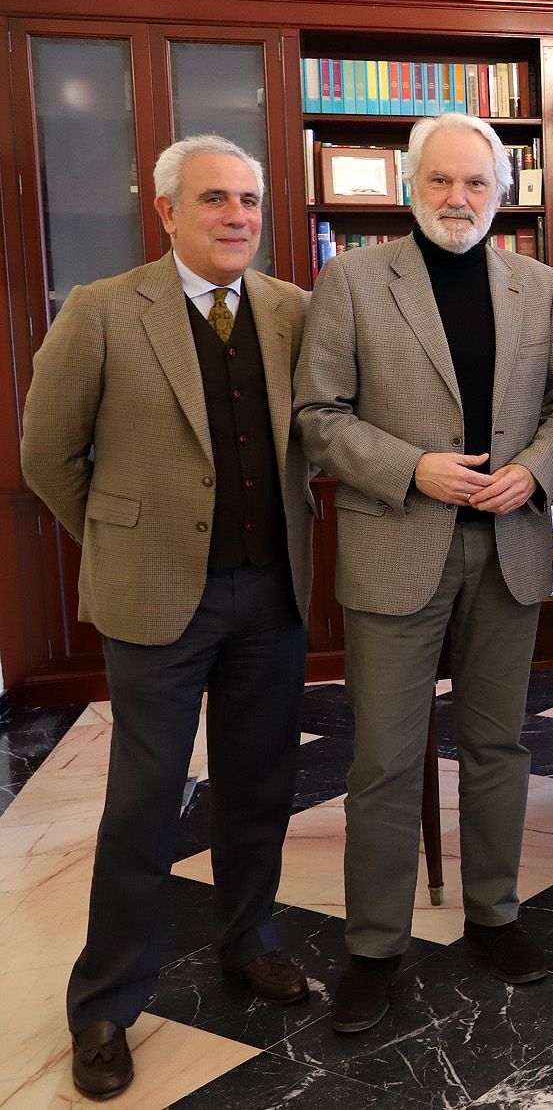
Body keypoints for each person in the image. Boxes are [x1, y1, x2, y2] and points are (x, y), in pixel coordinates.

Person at [21, 135, 313, 1100]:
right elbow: (47, 456)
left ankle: (251, 941)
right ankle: (104, 1002)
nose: (238, 217)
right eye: (217, 200)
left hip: (269, 595)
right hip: (155, 601)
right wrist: (122, 536)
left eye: (250, 201)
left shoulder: (290, 313)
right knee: (144, 803)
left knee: (259, 784)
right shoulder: (102, 311)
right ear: (169, 211)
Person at [294, 112, 553, 1032]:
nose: (460, 199)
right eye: (442, 181)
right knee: (382, 759)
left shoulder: (537, 286)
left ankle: (495, 911)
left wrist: (536, 466)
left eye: (477, 183)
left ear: (504, 190)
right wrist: (411, 468)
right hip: (396, 542)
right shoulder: (352, 279)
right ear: (413, 183)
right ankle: (374, 944)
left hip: (507, 547)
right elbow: (319, 414)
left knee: (500, 746)